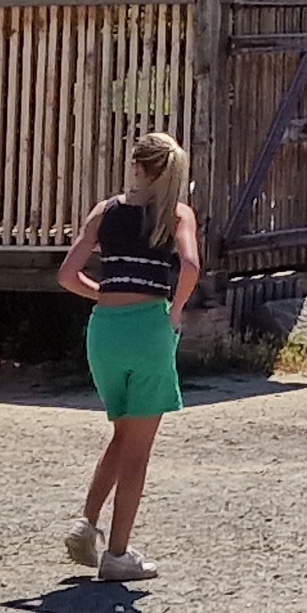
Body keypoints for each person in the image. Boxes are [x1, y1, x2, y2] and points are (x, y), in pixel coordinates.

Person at [55, 131, 198, 583]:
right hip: (148, 328)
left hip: (104, 330)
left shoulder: (106, 211)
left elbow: (67, 274)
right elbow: (191, 267)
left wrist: (104, 292)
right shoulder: (175, 214)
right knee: (138, 449)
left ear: (135, 166)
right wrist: (173, 314)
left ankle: (88, 522)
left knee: (121, 434)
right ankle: (117, 554)